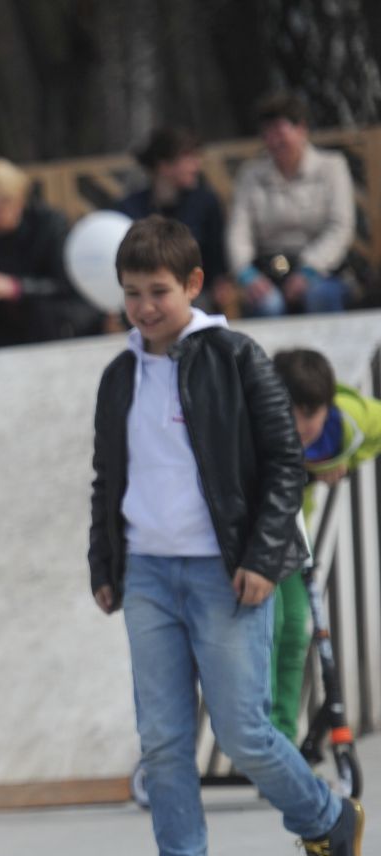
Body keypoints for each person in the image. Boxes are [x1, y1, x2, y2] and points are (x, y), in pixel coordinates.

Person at [88, 216, 362, 856]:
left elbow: (283, 462)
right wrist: (105, 562)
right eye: (131, 294)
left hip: (226, 570)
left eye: (158, 291)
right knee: (164, 739)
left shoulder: (236, 357)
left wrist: (263, 557)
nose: (145, 308)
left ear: (194, 285)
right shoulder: (120, 375)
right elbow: (106, 477)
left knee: (243, 731)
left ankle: (324, 817)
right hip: (148, 571)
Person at [267, 348, 381, 743]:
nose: (299, 426)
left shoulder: (350, 418)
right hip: (258, 536)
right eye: (289, 413)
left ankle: (281, 738)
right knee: (271, 625)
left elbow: (375, 432)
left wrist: (349, 459)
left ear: (327, 406)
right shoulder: (256, 425)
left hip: (296, 531)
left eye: (309, 414)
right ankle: (261, 734)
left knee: (298, 628)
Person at [0, 158, 97, 352]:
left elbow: (66, 284)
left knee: (39, 313)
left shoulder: (51, 225)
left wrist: (17, 288)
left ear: (17, 201)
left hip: (49, 315)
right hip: (3, 319)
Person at [228, 92, 355, 317]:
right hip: (267, 273)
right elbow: (239, 231)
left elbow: (340, 227)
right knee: (267, 304)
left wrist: (309, 270)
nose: (275, 141)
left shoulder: (332, 167)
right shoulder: (250, 175)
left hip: (323, 269)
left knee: (319, 296)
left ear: (301, 129)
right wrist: (246, 273)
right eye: (267, 134)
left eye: (280, 132)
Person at [117, 127, 231, 313]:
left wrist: (222, 281)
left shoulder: (205, 202)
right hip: (146, 294)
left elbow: (217, 255)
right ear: (164, 165)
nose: (196, 166)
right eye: (188, 158)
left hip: (194, 291)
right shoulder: (130, 208)